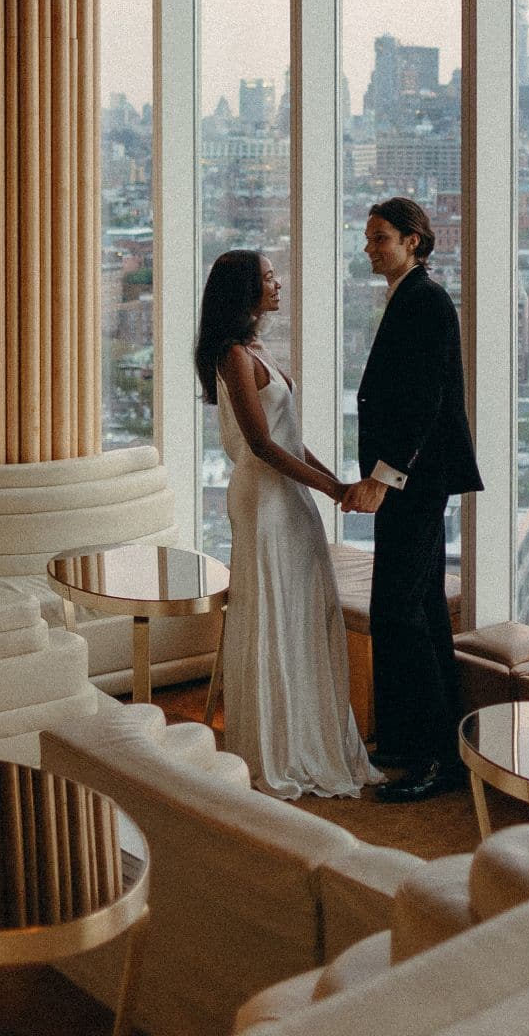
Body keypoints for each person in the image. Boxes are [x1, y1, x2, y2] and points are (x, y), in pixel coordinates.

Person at [196, 249, 382, 800]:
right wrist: (331, 490)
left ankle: (308, 733)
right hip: (265, 499)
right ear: (245, 291)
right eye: (270, 278)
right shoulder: (233, 355)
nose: (279, 284)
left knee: (302, 607)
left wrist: (337, 484)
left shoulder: (255, 349)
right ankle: (277, 747)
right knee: (275, 611)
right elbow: (260, 444)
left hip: (287, 494)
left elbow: (290, 437)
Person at [342, 197, 482, 804]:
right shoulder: (410, 296)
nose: (370, 247)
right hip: (410, 486)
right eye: (369, 238)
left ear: (414, 242)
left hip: (413, 486)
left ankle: (434, 759)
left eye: (380, 238)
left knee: (401, 613)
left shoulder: (426, 300)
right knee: (415, 610)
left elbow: (426, 399)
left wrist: (384, 476)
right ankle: (413, 744)